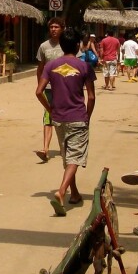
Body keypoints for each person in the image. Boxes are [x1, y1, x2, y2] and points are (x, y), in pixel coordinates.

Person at [35, 27, 95, 216]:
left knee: (68, 157)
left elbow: (38, 91)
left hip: (58, 119)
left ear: (61, 45)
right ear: (78, 45)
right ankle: (62, 192)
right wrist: (87, 116)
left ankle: (75, 193)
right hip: (77, 117)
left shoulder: (51, 66)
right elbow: (91, 97)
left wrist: (50, 109)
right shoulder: (84, 66)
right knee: (75, 158)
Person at [35, 17, 65, 162]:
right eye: (51, 27)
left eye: (56, 27)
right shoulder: (44, 46)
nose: (53, 29)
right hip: (48, 88)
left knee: (64, 117)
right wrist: (39, 85)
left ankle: (65, 147)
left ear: (62, 29)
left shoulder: (68, 44)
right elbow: (40, 68)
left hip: (65, 88)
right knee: (48, 116)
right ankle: (45, 149)